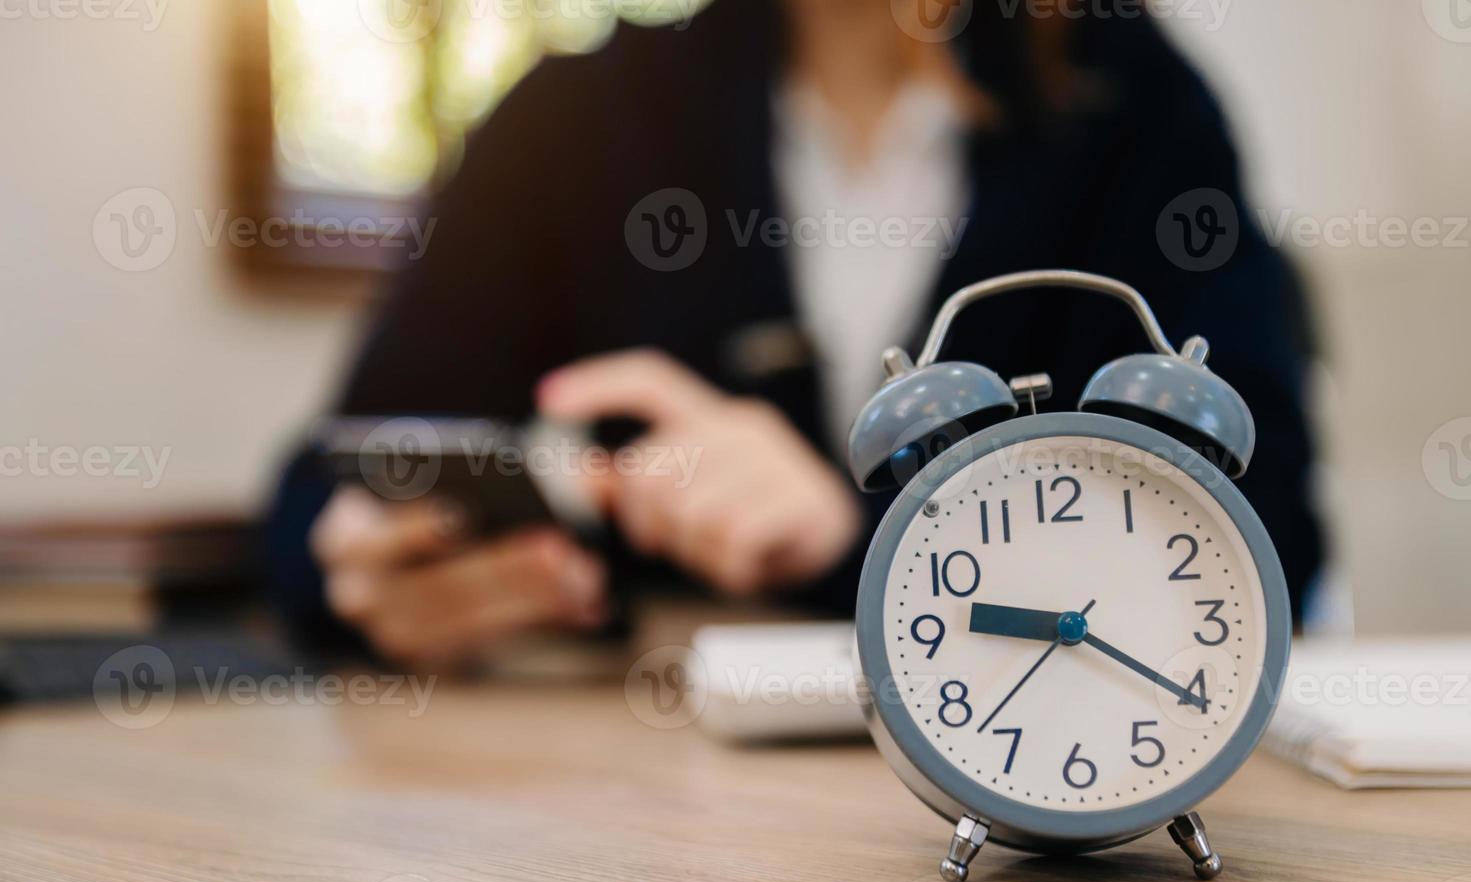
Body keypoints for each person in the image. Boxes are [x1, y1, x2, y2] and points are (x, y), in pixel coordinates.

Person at [267, 0, 1324, 667]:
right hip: (628, 817)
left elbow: (1262, 531)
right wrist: (363, 577)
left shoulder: (1135, 111)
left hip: (1028, 782)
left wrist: (855, 548)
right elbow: (325, 481)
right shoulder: (575, 119)